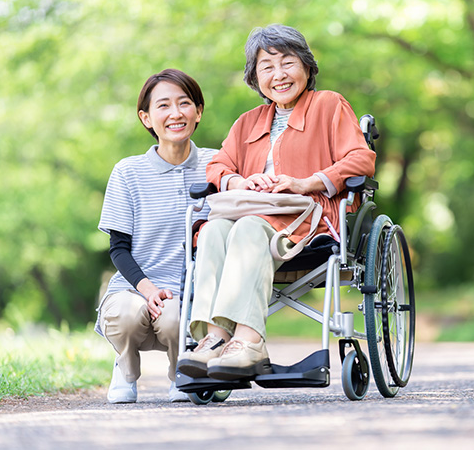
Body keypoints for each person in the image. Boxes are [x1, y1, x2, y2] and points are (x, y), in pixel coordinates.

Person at [176, 24, 376, 381]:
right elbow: (218, 165)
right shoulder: (247, 122)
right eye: (266, 67)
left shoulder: (328, 105)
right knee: (213, 230)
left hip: (308, 220)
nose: (278, 75)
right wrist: (240, 180)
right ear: (255, 77)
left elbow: (361, 160)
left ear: (306, 67)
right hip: (251, 218)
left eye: (287, 62)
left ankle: (250, 343)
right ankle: (215, 338)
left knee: (249, 229)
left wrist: (306, 182)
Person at [96, 69, 217, 403]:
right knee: (127, 313)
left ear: (198, 111)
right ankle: (125, 367)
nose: (175, 113)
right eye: (163, 106)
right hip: (134, 287)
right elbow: (118, 248)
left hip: (189, 294)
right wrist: (147, 289)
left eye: (184, 103)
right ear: (146, 117)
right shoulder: (127, 172)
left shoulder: (217, 164)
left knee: (176, 314)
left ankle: (184, 371)